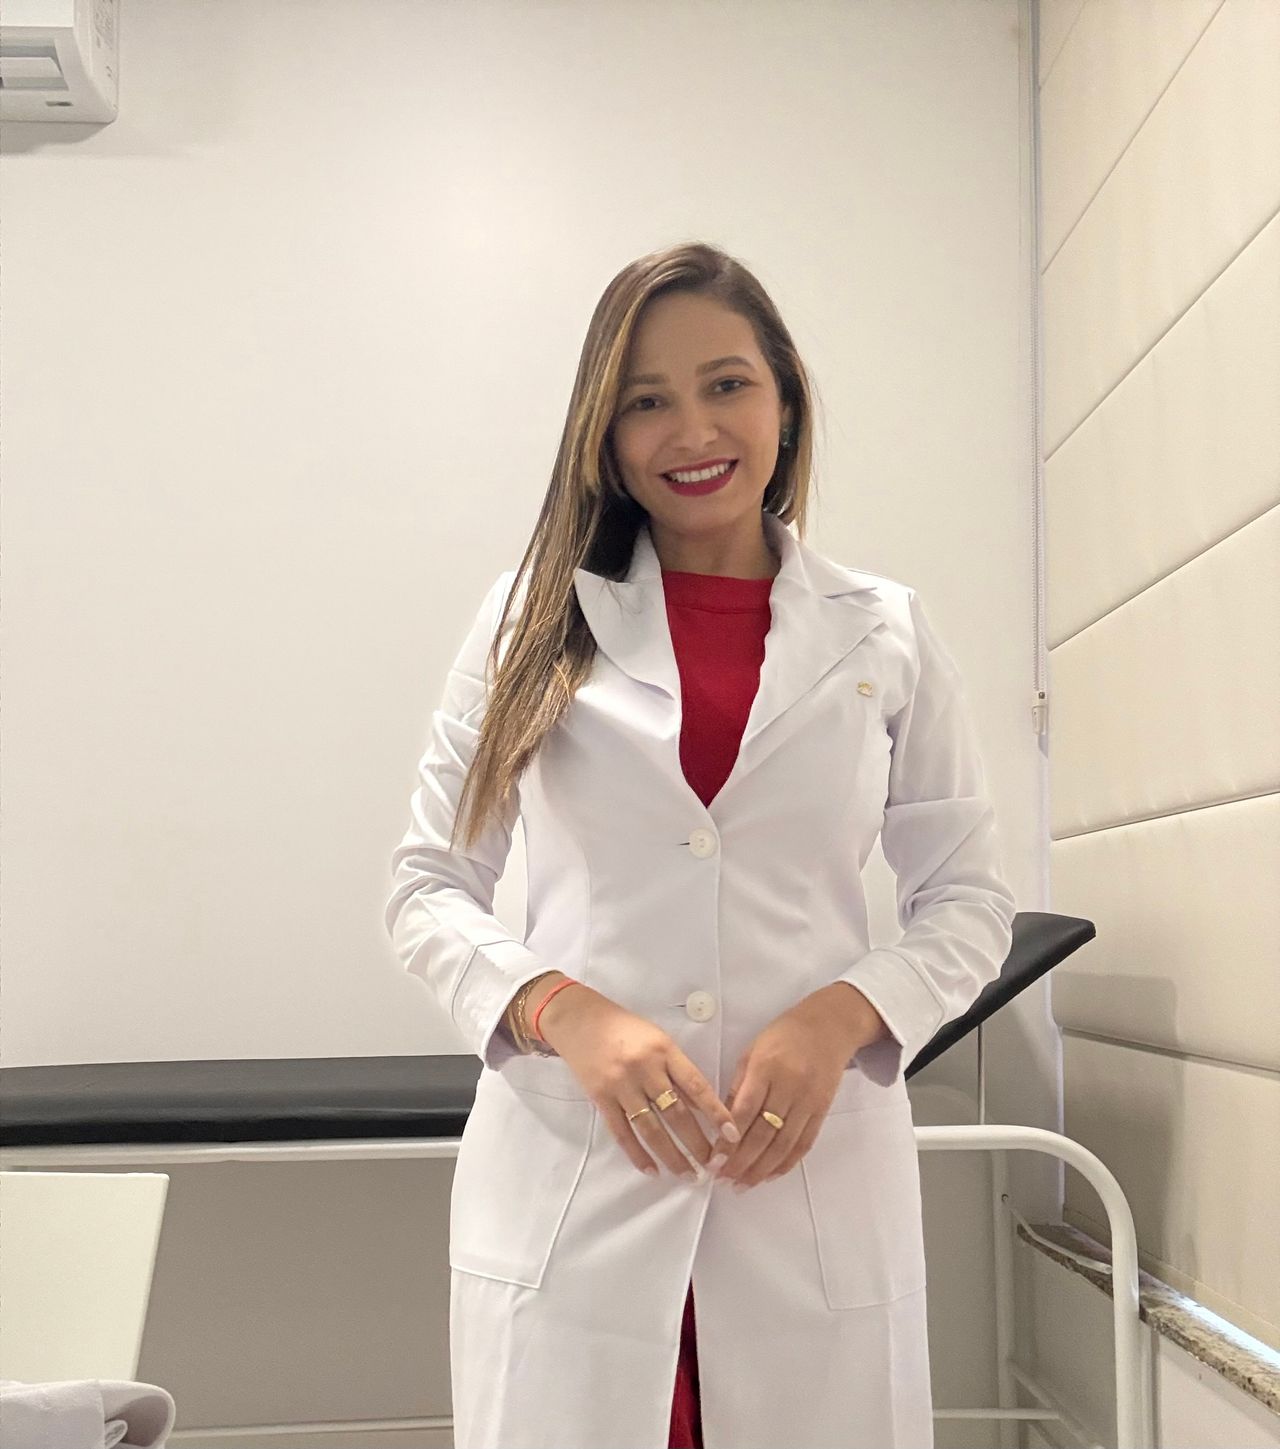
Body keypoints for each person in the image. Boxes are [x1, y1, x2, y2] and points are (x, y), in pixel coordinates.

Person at [384, 242, 1016, 1449]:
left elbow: (967, 900)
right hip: (578, 1177)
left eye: (726, 384)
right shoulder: (531, 618)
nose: (692, 431)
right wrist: (565, 1012)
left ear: (784, 399)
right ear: (605, 434)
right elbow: (428, 886)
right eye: (645, 401)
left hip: (804, 1191)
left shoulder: (883, 631)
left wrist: (842, 1015)